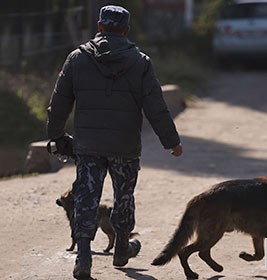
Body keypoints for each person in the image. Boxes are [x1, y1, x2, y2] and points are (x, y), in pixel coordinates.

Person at [46, 5, 183, 279]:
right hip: (125, 146)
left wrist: (56, 136)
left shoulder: (77, 58)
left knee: (86, 197)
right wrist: (172, 142)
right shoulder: (140, 62)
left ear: (99, 27)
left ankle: (83, 258)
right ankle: (121, 249)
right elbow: (156, 107)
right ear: (126, 30)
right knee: (124, 197)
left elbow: (59, 102)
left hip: (88, 146)